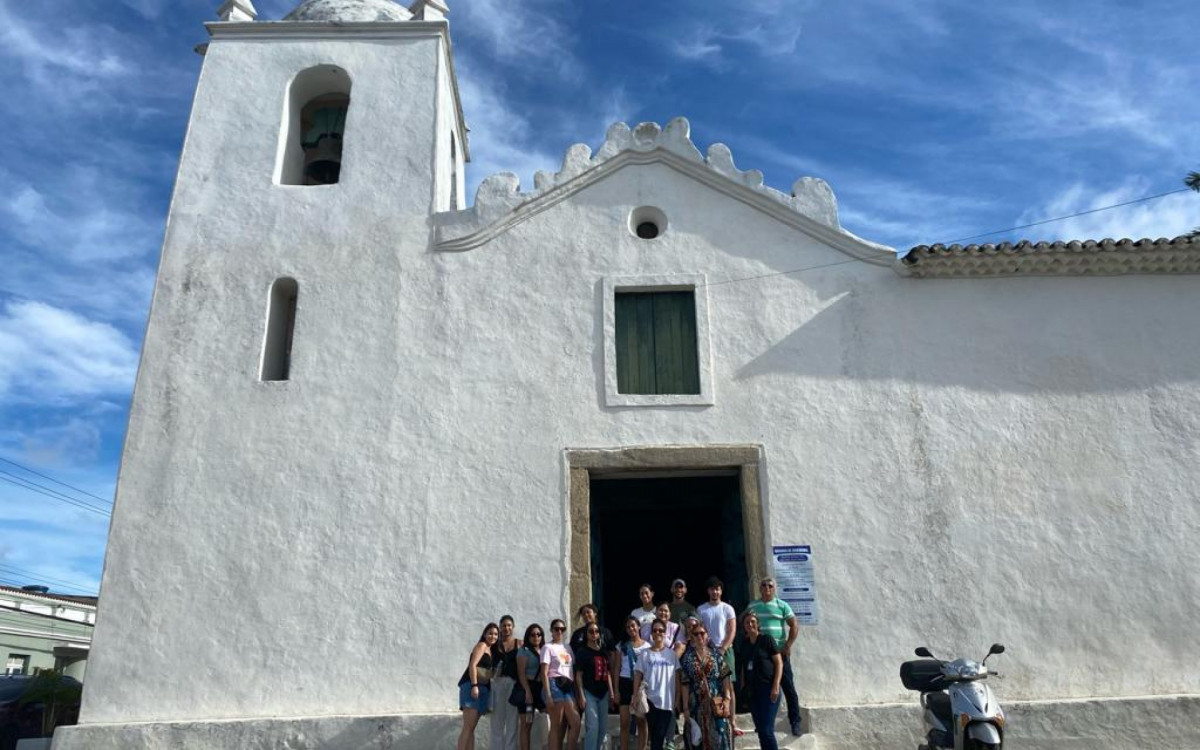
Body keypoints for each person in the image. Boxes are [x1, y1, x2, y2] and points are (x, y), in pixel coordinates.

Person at [744, 576, 802, 735]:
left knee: (788, 688)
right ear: (760, 588)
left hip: (779, 655)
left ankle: (795, 722)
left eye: (770, 585)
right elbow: (747, 624)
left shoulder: (782, 605)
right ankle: (761, 723)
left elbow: (794, 624)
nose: (766, 588)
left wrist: (788, 645)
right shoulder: (753, 606)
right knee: (760, 690)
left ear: (774, 588)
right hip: (761, 656)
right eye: (763, 585)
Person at [680, 621, 732, 750]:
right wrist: (685, 708)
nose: (699, 636)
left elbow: (725, 677)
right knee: (698, 739)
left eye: (702, 633)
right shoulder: (687, 658)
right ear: (692, 637)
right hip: (696, 704)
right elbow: (684, 684)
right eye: (696, 634)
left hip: (716, 702)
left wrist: (727, 699)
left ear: (707, 635)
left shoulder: (716, 655)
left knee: (720, 735)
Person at [696, 577, 738, 735]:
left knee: (729, 686)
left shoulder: (727, 608)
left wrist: (724, 647)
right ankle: (713, 717)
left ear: (721, 591)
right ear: (708, 591)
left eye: (718, 589)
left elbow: (732, 629)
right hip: (707, 651)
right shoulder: (701, 609)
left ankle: (733, 721)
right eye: (712, 589)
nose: (715, 592)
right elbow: (700, 630)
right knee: (710, 685)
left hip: (725, 651)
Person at [736, 611, 783, 750]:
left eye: (753, 622)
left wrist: (775, 686)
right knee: (761, 731)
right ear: (743, 626)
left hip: (769, 690)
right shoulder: (744, 645)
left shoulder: (766, 640)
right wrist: (743, 687)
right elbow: (744, 668)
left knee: (767, 730)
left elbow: (779, 663)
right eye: (747, 622)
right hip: (753, 692)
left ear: (758, 624)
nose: (750, 624)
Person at [632, 620, 681, 750]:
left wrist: (677, 699)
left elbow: (677, 678)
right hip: (650, 701)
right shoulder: (645, 654)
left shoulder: (671, 655)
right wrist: (635, 695)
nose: (658, 633)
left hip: (667, 701)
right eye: (655, 630)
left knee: (659, 737)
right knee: (655, 738)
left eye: (661, 630)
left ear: (665, 633)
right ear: (651, 634)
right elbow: (638, 675)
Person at [457, 623, 499, 750]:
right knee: (468, 728)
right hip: (472, 687)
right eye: (490, 633)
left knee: (471, 728)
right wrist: (474, 685)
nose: (493, 636)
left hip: (482, 688)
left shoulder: (490, 650)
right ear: (485, 634)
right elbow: (472, 665)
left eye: (496, 634)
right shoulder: (482, 646)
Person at [575, 622, 616, 750]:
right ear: (586, 634)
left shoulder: (603, 652)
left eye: (596, 631)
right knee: (592, 727)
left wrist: (611, 693)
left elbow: (607, 673)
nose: (594, 634)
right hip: (589, 693)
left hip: (603, 694)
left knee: (603, 729)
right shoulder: (582, 652)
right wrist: (581, 696)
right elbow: (579, 675)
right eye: (591, 631)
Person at [541, 618, 581, 750]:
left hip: (568, 685)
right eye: (556, 629)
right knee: (556, 724)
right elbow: (544, 672)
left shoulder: (567, 647)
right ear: (551, 631)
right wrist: (548, 694)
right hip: (554, 683)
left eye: (562, 629)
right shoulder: (547, 647)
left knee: (575, 722)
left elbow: (572, 668)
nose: (559, 631)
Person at [617, 616, 650, 750]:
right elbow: (616, 668)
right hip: (625, 682)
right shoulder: (621, 646)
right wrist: (616, 689)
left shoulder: (647, 646)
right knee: (624, 722)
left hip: (641, 684)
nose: (631, 629)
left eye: (633, 626)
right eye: (628, 627)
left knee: (641, 721)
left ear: (638, 627)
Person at [515, 623, 547, 750]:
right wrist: (527, 692)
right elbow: (521, 674)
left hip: (541, 689)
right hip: (527, 688)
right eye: (532, 635)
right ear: (528, 636)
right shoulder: (524, 651)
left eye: (539, 634)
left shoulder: (545, 649)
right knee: (526, 724)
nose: (536, 637)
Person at [491, 615, 522, 750]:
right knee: (496, 721)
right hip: (497, 683)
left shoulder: (519, 644)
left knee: (512, 721)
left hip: (513, 684)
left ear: (513, 627)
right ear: (500, 627)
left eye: (509, 625)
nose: (506, 628)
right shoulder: (494, 644)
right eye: (504, 625)